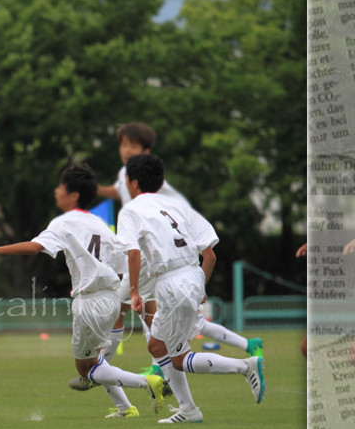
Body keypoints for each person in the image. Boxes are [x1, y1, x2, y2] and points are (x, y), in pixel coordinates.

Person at [70, 123, 262, 389]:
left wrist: (134, 285)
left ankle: (102, 371)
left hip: (157, 264)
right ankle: (164, 382)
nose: (126, 150)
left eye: (133, 146)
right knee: (157, 326)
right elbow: (209, 253)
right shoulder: (132, 177)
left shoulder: (154, 189)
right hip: (178, 270)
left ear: (146, 150)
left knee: (130, 313)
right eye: (123, 144)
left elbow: (142, 245)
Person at [0, 164, 166, 418]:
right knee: (96, 361)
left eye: (61, 187)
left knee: (86, 370)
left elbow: (35, 247)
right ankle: (125, 409)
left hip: (90, 303)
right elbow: (119, 265)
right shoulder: (100, 224)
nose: (56, 191)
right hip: (111, 298)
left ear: (73, 195)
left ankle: (146, 383)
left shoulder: (64, 222)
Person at [115, 154, 265, 423]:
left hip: (170, 283)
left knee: (180, 358)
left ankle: (244, 366)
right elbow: (210, 255)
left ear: (134, 183)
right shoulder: (177, 206)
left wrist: (135, 291)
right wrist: (199, 286)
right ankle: (188, 410)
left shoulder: (131, 210)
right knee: (156, 345)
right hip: (191, 275)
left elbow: (134, 254)